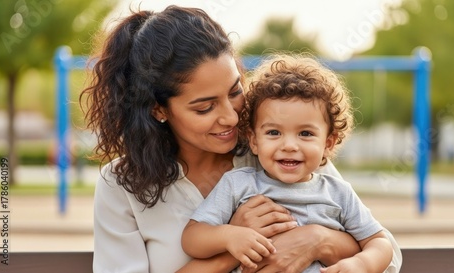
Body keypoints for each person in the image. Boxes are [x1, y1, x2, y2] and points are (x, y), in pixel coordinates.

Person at [80, 5, 402, 273]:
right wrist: (237, 242)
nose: (232, 116)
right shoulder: (121, 186)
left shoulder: (275, 150)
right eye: (205, 107)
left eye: (235, 91)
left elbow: (388, 258)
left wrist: (316, 238)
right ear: (158, 109)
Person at [182, 55, 394, 273]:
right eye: (274, 132)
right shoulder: (238, 184)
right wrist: (229, 236)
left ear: (328, 143)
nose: (290, 145)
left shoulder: (339, 193)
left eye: (305, 133)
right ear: (254, 141)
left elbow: (380, 243)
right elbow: (192, 238)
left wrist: (360, 263)